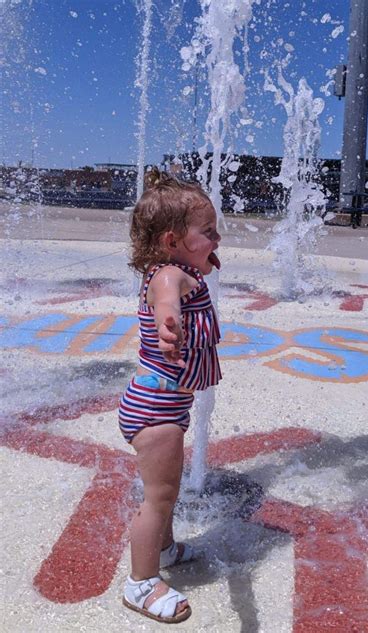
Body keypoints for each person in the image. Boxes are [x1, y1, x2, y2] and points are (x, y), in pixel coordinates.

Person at [118, 167, 222, 624]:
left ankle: (163, 546)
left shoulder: (183, 271)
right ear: (171, 241)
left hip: (166, 404)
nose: (218, 238)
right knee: (158, 497)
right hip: (156, 408)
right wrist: (169, 330)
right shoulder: (168, 279)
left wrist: (202, 265)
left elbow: (184, 288)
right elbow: (167, 306)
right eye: (209, 232)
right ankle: (140, 583)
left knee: (169, 489)